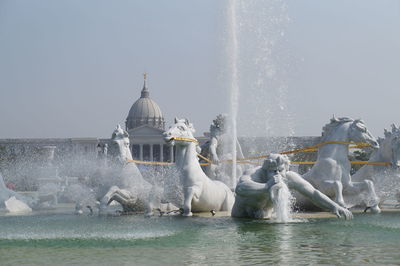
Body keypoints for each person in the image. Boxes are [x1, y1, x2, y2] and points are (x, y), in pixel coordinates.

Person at [231, 154, 353, 219]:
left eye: (280, 170)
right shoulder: (255, 173)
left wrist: (335, 207)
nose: (277, 175)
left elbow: (314, 194)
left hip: (264, 220)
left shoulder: (289, 177)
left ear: (286, 168)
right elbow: (241, 188)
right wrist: (266, 186)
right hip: (242, 219)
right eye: (273, 171)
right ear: (266, 170)